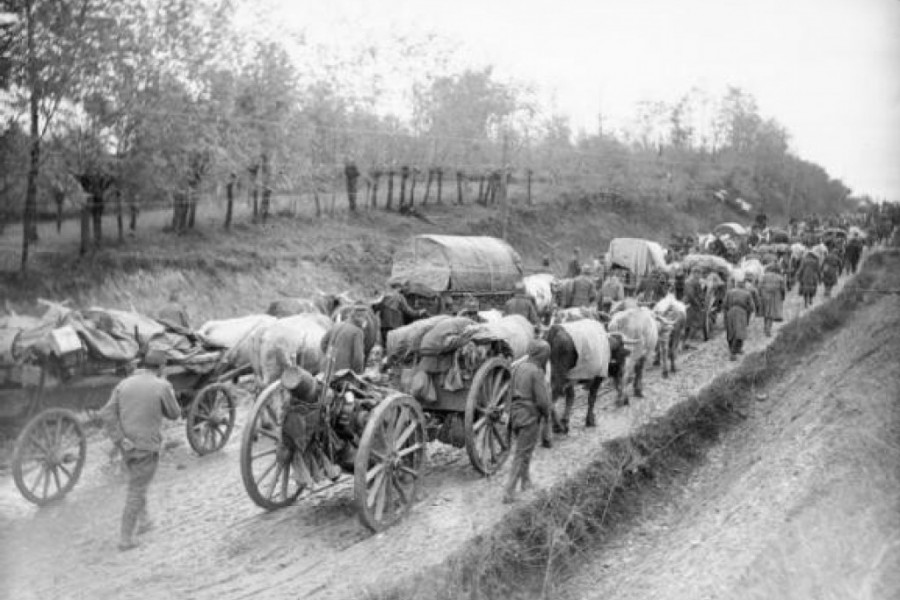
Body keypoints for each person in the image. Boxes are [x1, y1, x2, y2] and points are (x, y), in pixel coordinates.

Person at [99, 349, 180, 551]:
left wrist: (119, 439)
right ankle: (125, 538)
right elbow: (174, 414)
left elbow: (107, 413)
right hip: (147, 446)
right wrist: (167, 388)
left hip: (127, 446)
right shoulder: (162, 385)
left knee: (138, 480)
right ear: (161, 367)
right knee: (136, 490)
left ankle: (144, 521)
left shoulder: (123, 384)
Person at [503, 339, 551, 504]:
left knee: (525, 450)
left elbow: (508, 392)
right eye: (546, 355)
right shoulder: (536, 372)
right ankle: (509, 491)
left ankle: (526, 481)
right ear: (541, 355)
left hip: (515, 416)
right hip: (529, 417)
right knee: (521, 454)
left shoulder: (518, 368)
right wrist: (547, 414)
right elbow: (542, 400)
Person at [373, 281, 426, 347]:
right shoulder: (400, 298)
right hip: (396, 327)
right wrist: (419, 312)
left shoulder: (384, 297)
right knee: (396, 347)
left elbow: (374, 309)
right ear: (398, 288)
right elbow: (409, 311)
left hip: (384, 327)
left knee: (385, 346)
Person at [321, 308, 366, 374]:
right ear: (359, 318)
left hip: (326, 369)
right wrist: (358, 373)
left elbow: (323, 344)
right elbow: (358, 358)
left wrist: (331, 356)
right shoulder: (358, 332)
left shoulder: (336, 325)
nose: (365, 321)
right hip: (343, 373)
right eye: (364, 318)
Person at [723, 276, 756, 360]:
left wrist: (726, 314)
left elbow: (724, 305)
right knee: (739, 332)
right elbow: (752, 307)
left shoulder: (729, 292)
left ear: (736, 284)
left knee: (731, 332)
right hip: (741, 313)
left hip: (730, 312)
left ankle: (734, 349)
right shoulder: (747, 293)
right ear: (743, 284)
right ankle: (733, 353)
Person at [759, 263, 786, 337]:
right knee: (771, 313)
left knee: (766, 312)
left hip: (765, 295)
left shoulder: (764, 276)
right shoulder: (780, 277)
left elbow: (760, 286)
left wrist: (760, 294)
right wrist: (783, 297)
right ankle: (768, 329)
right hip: (775, 296)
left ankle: (765, 327)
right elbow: (783, 289)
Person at [682, 268, 705, 347]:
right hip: (691, 304)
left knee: (687, 324)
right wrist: (698, 303)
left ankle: (685, 341)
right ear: (695, 273)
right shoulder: (694, 282)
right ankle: (688, 340)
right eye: (699, 273)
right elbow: (693, 295)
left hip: (685, 302)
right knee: (696, 323)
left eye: (700, 274)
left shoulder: (687, 281)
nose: (699, 275)